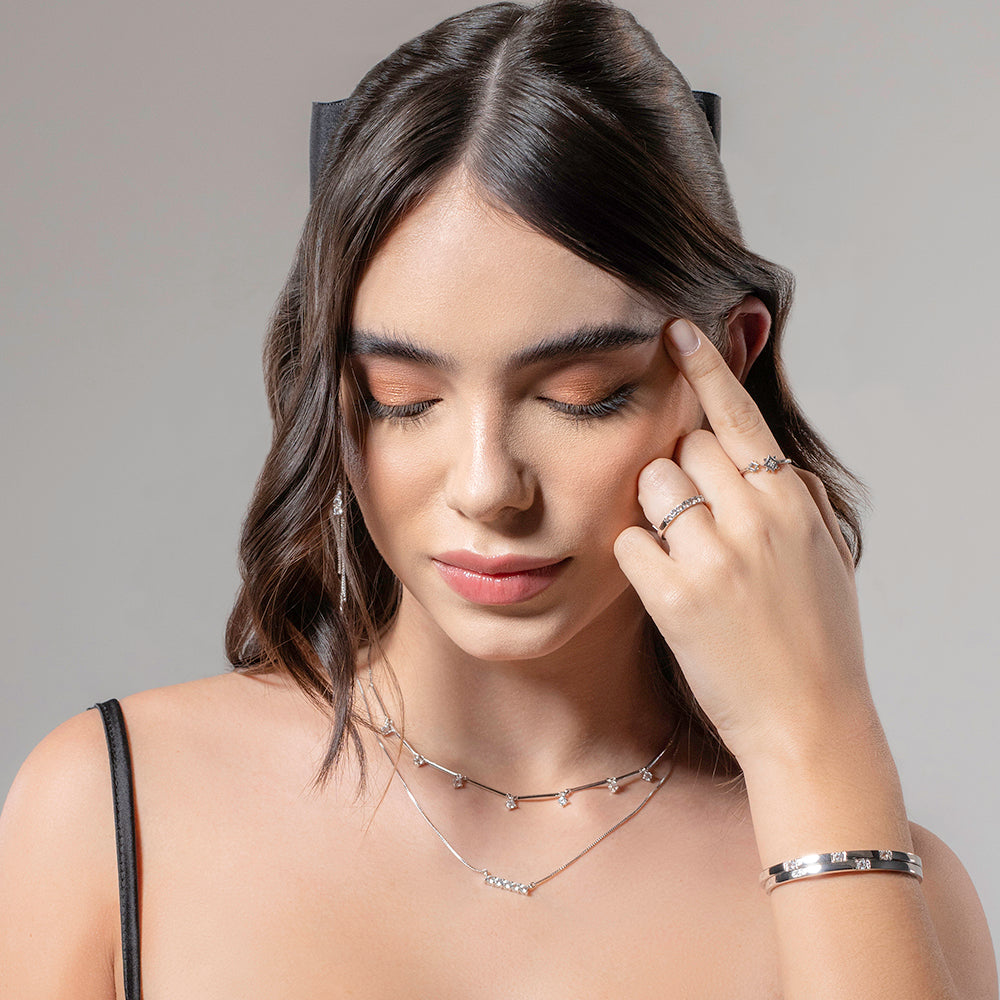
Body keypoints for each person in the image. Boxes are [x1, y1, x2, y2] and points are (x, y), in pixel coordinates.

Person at [1, 0, 996, 995]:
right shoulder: (108, 812)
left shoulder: (884, 879)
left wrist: (815, 741)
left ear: (726, 364)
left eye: (581, 396)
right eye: (402, 398)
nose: (486, 488)